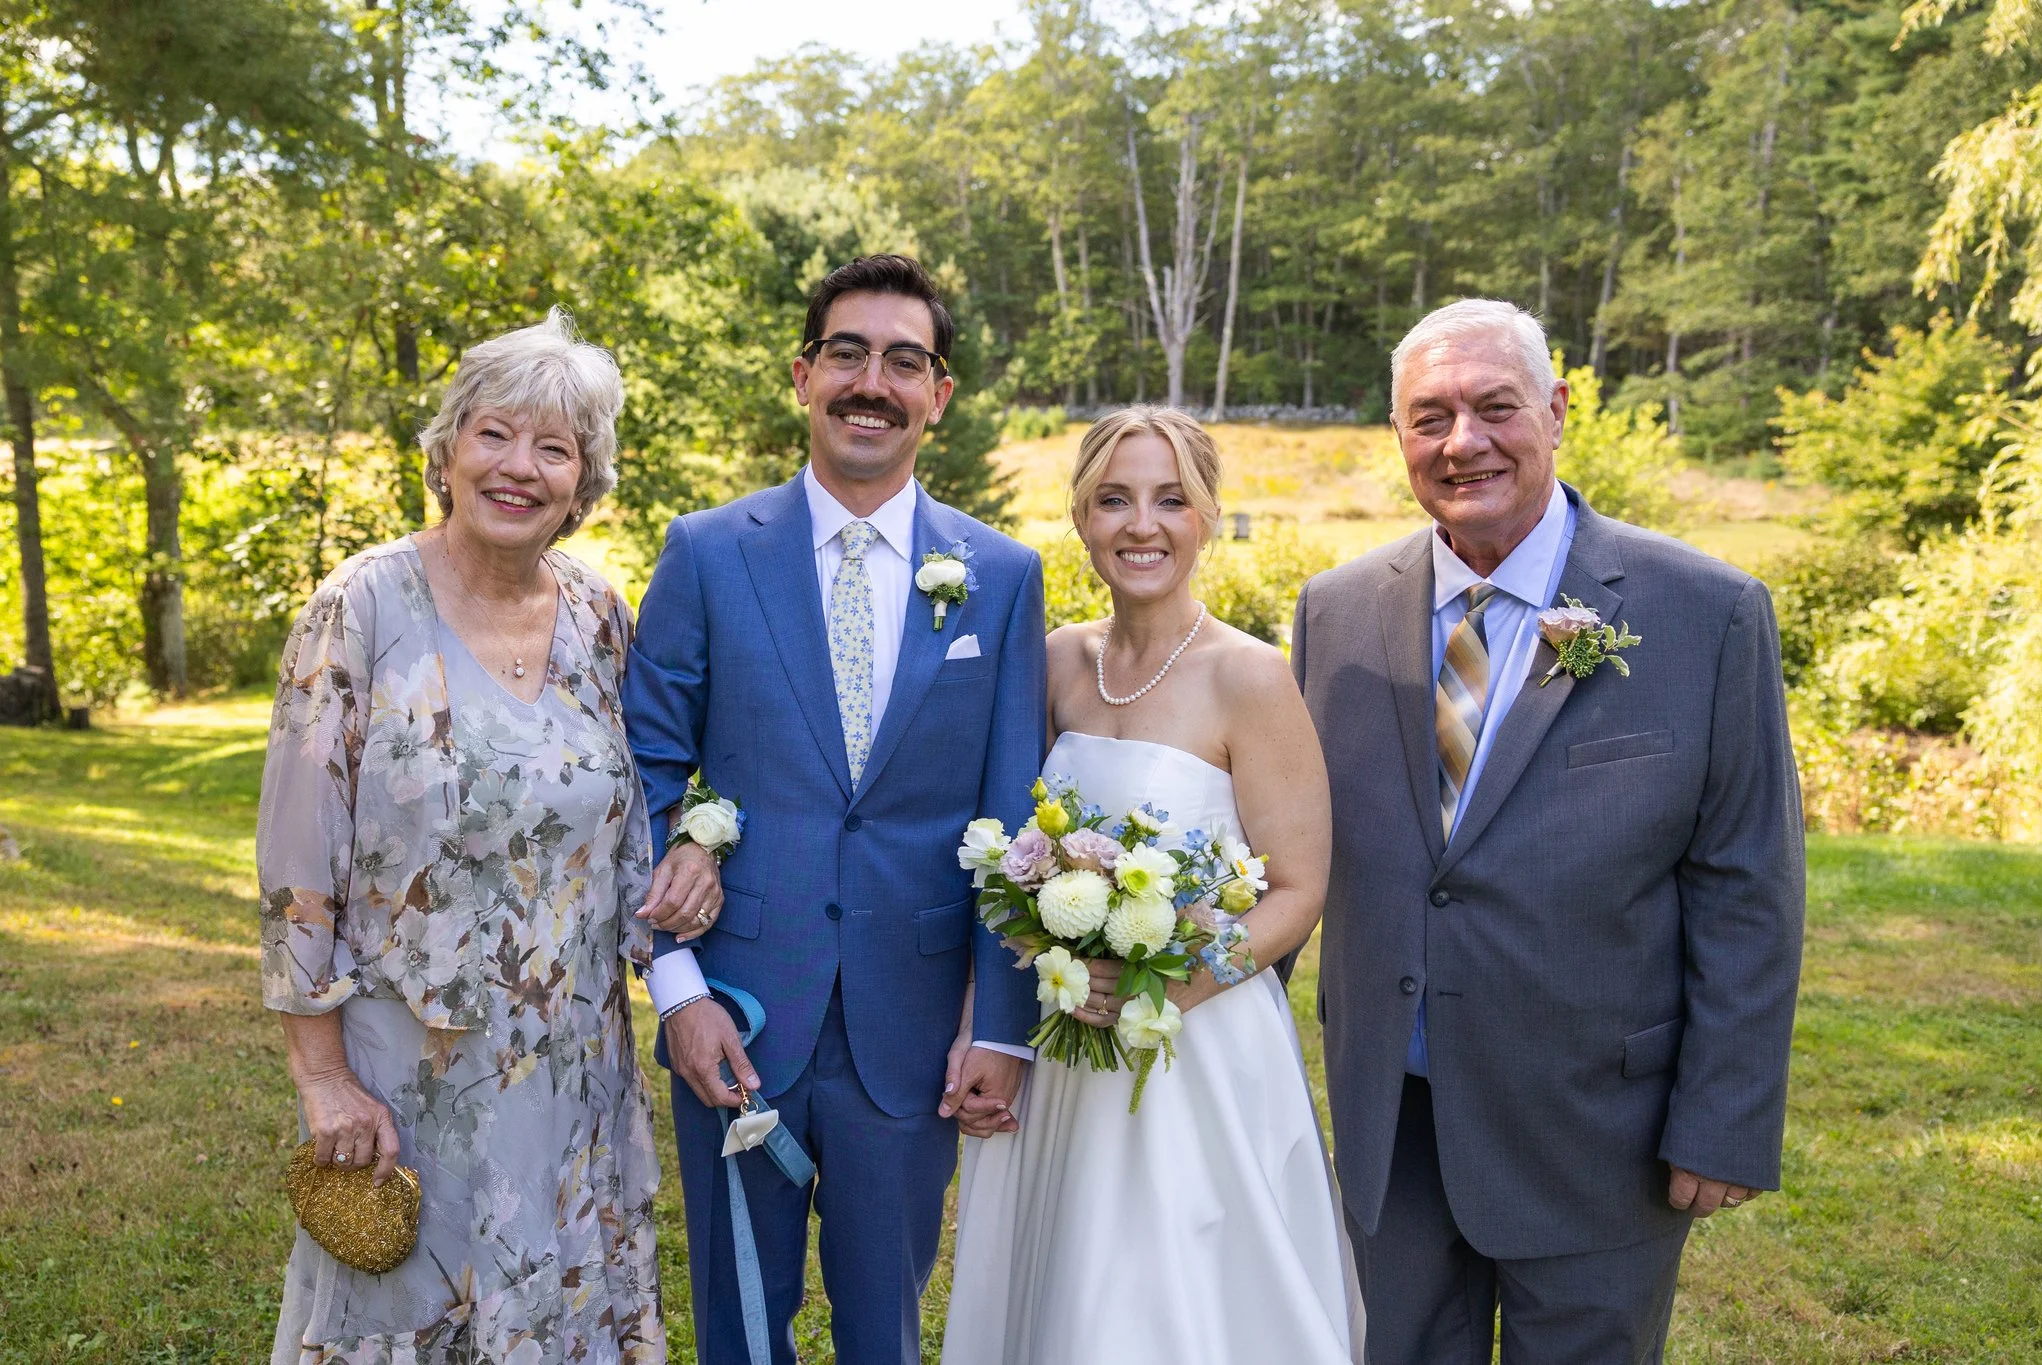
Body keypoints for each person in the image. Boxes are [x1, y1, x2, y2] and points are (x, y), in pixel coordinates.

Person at [1293, 298, 1805, 1364]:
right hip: (1393, 1122)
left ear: (1558, 412)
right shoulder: (1333, 613)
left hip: (1595, 1131)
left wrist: (1722, 1120)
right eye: (1427, 416)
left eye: (1493, 407)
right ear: (1396, 434)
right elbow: (1288, 851)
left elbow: (1746, 886)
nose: (1461, 442)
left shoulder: (1702, 613)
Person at [623, 254, 1045, 1365]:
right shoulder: (707, 553)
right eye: (847, 355)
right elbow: (645, 775)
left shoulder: (999, 575)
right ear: (803, 376)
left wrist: (996, 1023)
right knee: (739, 1328)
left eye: (904, 362)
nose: (873, 382)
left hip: (910, 1031)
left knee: (884, 1332)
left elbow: (1009, 811)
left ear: (937, 396)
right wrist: (676, 990)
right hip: (738, 1012)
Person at [257, 309, 667, 1362]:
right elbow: (299, 869)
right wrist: (322, 1076)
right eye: (495, 434)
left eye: (554, 447)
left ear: (585, 482)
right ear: (446, 452)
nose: (518, 467)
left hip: (573, 1069)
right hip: (410, 1072)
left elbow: (633, 823)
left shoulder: (599, 618)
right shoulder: (361, 606)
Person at [942, 406, 1361, 1364]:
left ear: (1208, 516)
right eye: (1114, 500)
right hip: (1061, 1051)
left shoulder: (1249, 677)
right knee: (1060, 1286)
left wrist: (1169, 983)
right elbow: (1014, 852)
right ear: (1082, 518)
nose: (1143, 525)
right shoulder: (1051, 663)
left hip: (1193, 1050)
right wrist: (1013, 978)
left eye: (1172, 499)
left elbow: (1300, 887)